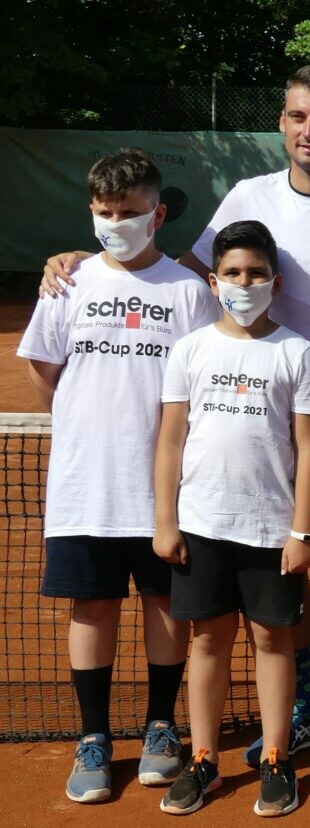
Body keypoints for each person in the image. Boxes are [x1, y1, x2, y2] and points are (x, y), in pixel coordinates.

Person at [41, 65, 310, 773]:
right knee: (289, 564)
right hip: (268, 413)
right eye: (298, 116)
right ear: (282, 122)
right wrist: (82, 262)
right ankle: (303, 706)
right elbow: (187, 271)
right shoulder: (249, 194)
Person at [17, 149, 218, 803]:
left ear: (156, 214)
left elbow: (199, 384)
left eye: (128, 213)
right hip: (85, 483)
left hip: (166, 491)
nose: (114, 223)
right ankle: (94, 737)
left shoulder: (186, 292)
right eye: (103, 213)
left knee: (165, 604)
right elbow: (45, 369)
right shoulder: (67, 283)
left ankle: (162, 727)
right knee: (93, 606)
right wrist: (89, 419)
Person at [154, 220, 310, 816]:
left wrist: (302, 531)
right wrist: (165, 521)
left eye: (255, 274)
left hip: (271, 531)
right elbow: (171, 440)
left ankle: (277, 757)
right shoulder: (190, 349)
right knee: (207, 642)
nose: (243, 283)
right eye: (232, 273)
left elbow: (308, 447)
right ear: (214, 280)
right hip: (201, 525)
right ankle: (203, 760)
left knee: (272, 640)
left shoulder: (296, 350)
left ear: (274, 282)